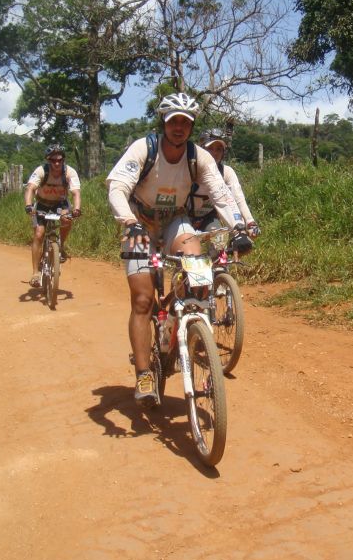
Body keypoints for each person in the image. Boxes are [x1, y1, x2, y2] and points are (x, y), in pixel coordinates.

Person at [106, 92, 252, 406]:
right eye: (175, 121)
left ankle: (182, 333)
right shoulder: (144, 149)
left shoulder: (198, 156)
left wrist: (238, 227)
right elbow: (117, 187)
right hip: (140, 223)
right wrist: (128, 221)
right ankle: (144, 373)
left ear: (191, 126)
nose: (180, 127)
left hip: (176, 221)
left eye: (186, 122)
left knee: (199, 280)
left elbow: (222, 195)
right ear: (164, 122)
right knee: (143, 301)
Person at [24, 145, 81, 288]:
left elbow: (75, 193)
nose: (57, 163)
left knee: (67, 220)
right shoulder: (41, 170)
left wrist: (77, 209)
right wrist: (29, 205)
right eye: (53, 160)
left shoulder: (69, 172)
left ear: (63, 160)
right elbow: (30, 188)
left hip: (60, 204)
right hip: (42, 204)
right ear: (48, 160)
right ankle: (35, 273)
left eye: (60, 160)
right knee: (39, 234)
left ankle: (60, 247)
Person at [194, 130, 260, 244]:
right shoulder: (190, 169)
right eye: (210, 148)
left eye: (219, 149)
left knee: (220, 242)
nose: (214, 153)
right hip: (184, 216)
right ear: (201, 150)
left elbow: (238, 198)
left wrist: (250, 222)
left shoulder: (227, 172)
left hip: (208, 217)